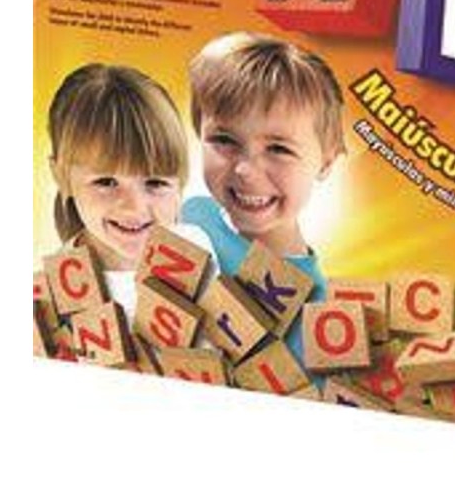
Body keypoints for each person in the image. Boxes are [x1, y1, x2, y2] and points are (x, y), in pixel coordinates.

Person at [182, 33, 345, 364]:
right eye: (224, 140)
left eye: (278, 149)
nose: (245, 170)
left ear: (326, 163)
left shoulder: (318, 314)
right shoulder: (193, 213)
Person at [48, 63, 213, 320]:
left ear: (180, 183)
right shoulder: (53, 297)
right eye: (106, 182)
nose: (134, 208)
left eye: (155, 183)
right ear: (61, 177)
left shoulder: (196, 245)